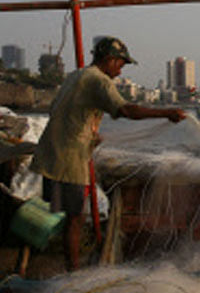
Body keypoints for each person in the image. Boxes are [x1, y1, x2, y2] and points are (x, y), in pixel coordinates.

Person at [30, 36, 186, 270]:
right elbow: (126, 110)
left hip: (52, 151)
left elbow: (63, 111)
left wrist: (90, 133)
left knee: (69, 216)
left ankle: (66, 264)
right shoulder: (99, 81)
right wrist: (166, 113)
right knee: (75, 219)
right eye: (121, 64)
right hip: (69, 158)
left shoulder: (78, 75)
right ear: (110, 60)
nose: (121, 69)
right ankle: (73, 273)